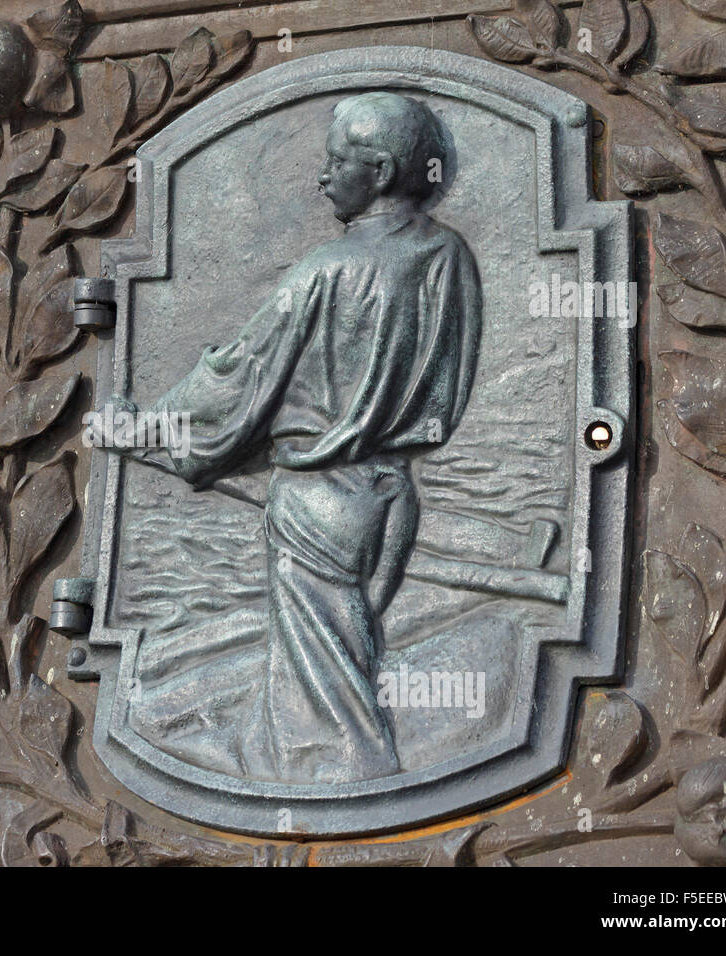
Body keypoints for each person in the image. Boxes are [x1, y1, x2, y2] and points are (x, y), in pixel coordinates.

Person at [115, 92, 483, 783]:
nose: (321, 177)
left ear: (375, 171)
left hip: (318, 500)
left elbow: (243, 373)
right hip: (391, 497)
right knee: (340, 657)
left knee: (329, 687)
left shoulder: (324, 270)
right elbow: (445, 390)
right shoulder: (449, 255)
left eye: (335, 162)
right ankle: (292, 762)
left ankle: (351, 783)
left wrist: (150, 427)